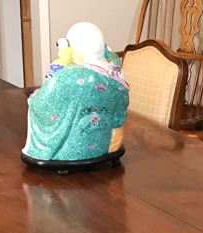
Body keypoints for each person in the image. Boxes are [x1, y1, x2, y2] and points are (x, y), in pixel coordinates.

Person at [23, 22, 129, 162]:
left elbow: (42, 105)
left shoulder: (64, 76)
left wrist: (34, 98)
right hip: (105, 145)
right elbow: (120, 113)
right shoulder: (117, 73)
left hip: (67, 151)